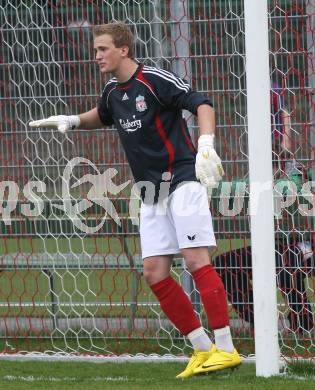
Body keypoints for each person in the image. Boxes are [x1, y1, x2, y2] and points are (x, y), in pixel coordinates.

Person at [29, 22, 241, 377]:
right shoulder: (113, 90)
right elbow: (104, 116)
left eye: (102, 49)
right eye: (96, 50)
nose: (96, 56)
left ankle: (227, 348)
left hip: (183, 180)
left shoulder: (156, 80)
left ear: (123, 49)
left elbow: (201, 102)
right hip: (150, 192)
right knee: (154, 272)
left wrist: (206, 144)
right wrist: (71, 120)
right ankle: (203, 350)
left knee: (195, 260)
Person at [213, 238, 314, 333]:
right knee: (221, 263)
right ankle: (258, 318)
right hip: (274, 246)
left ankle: (302, 324)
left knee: (286, 266)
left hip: (301, 252)